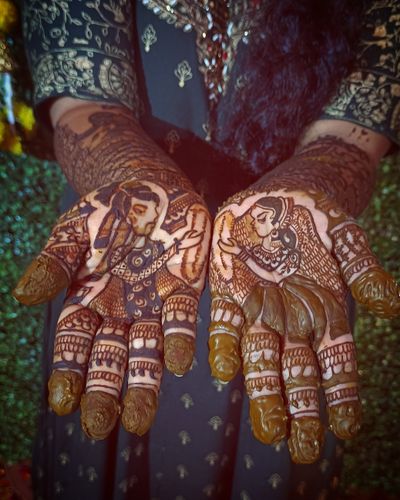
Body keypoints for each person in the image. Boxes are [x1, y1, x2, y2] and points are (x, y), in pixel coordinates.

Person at [13, 0, 400, 498]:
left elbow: (352, 137)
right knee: (107, 417)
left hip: (286, 278)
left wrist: (302, 197)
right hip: (128, 258)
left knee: (275, 426)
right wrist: (138, 181)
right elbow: (85, 102)